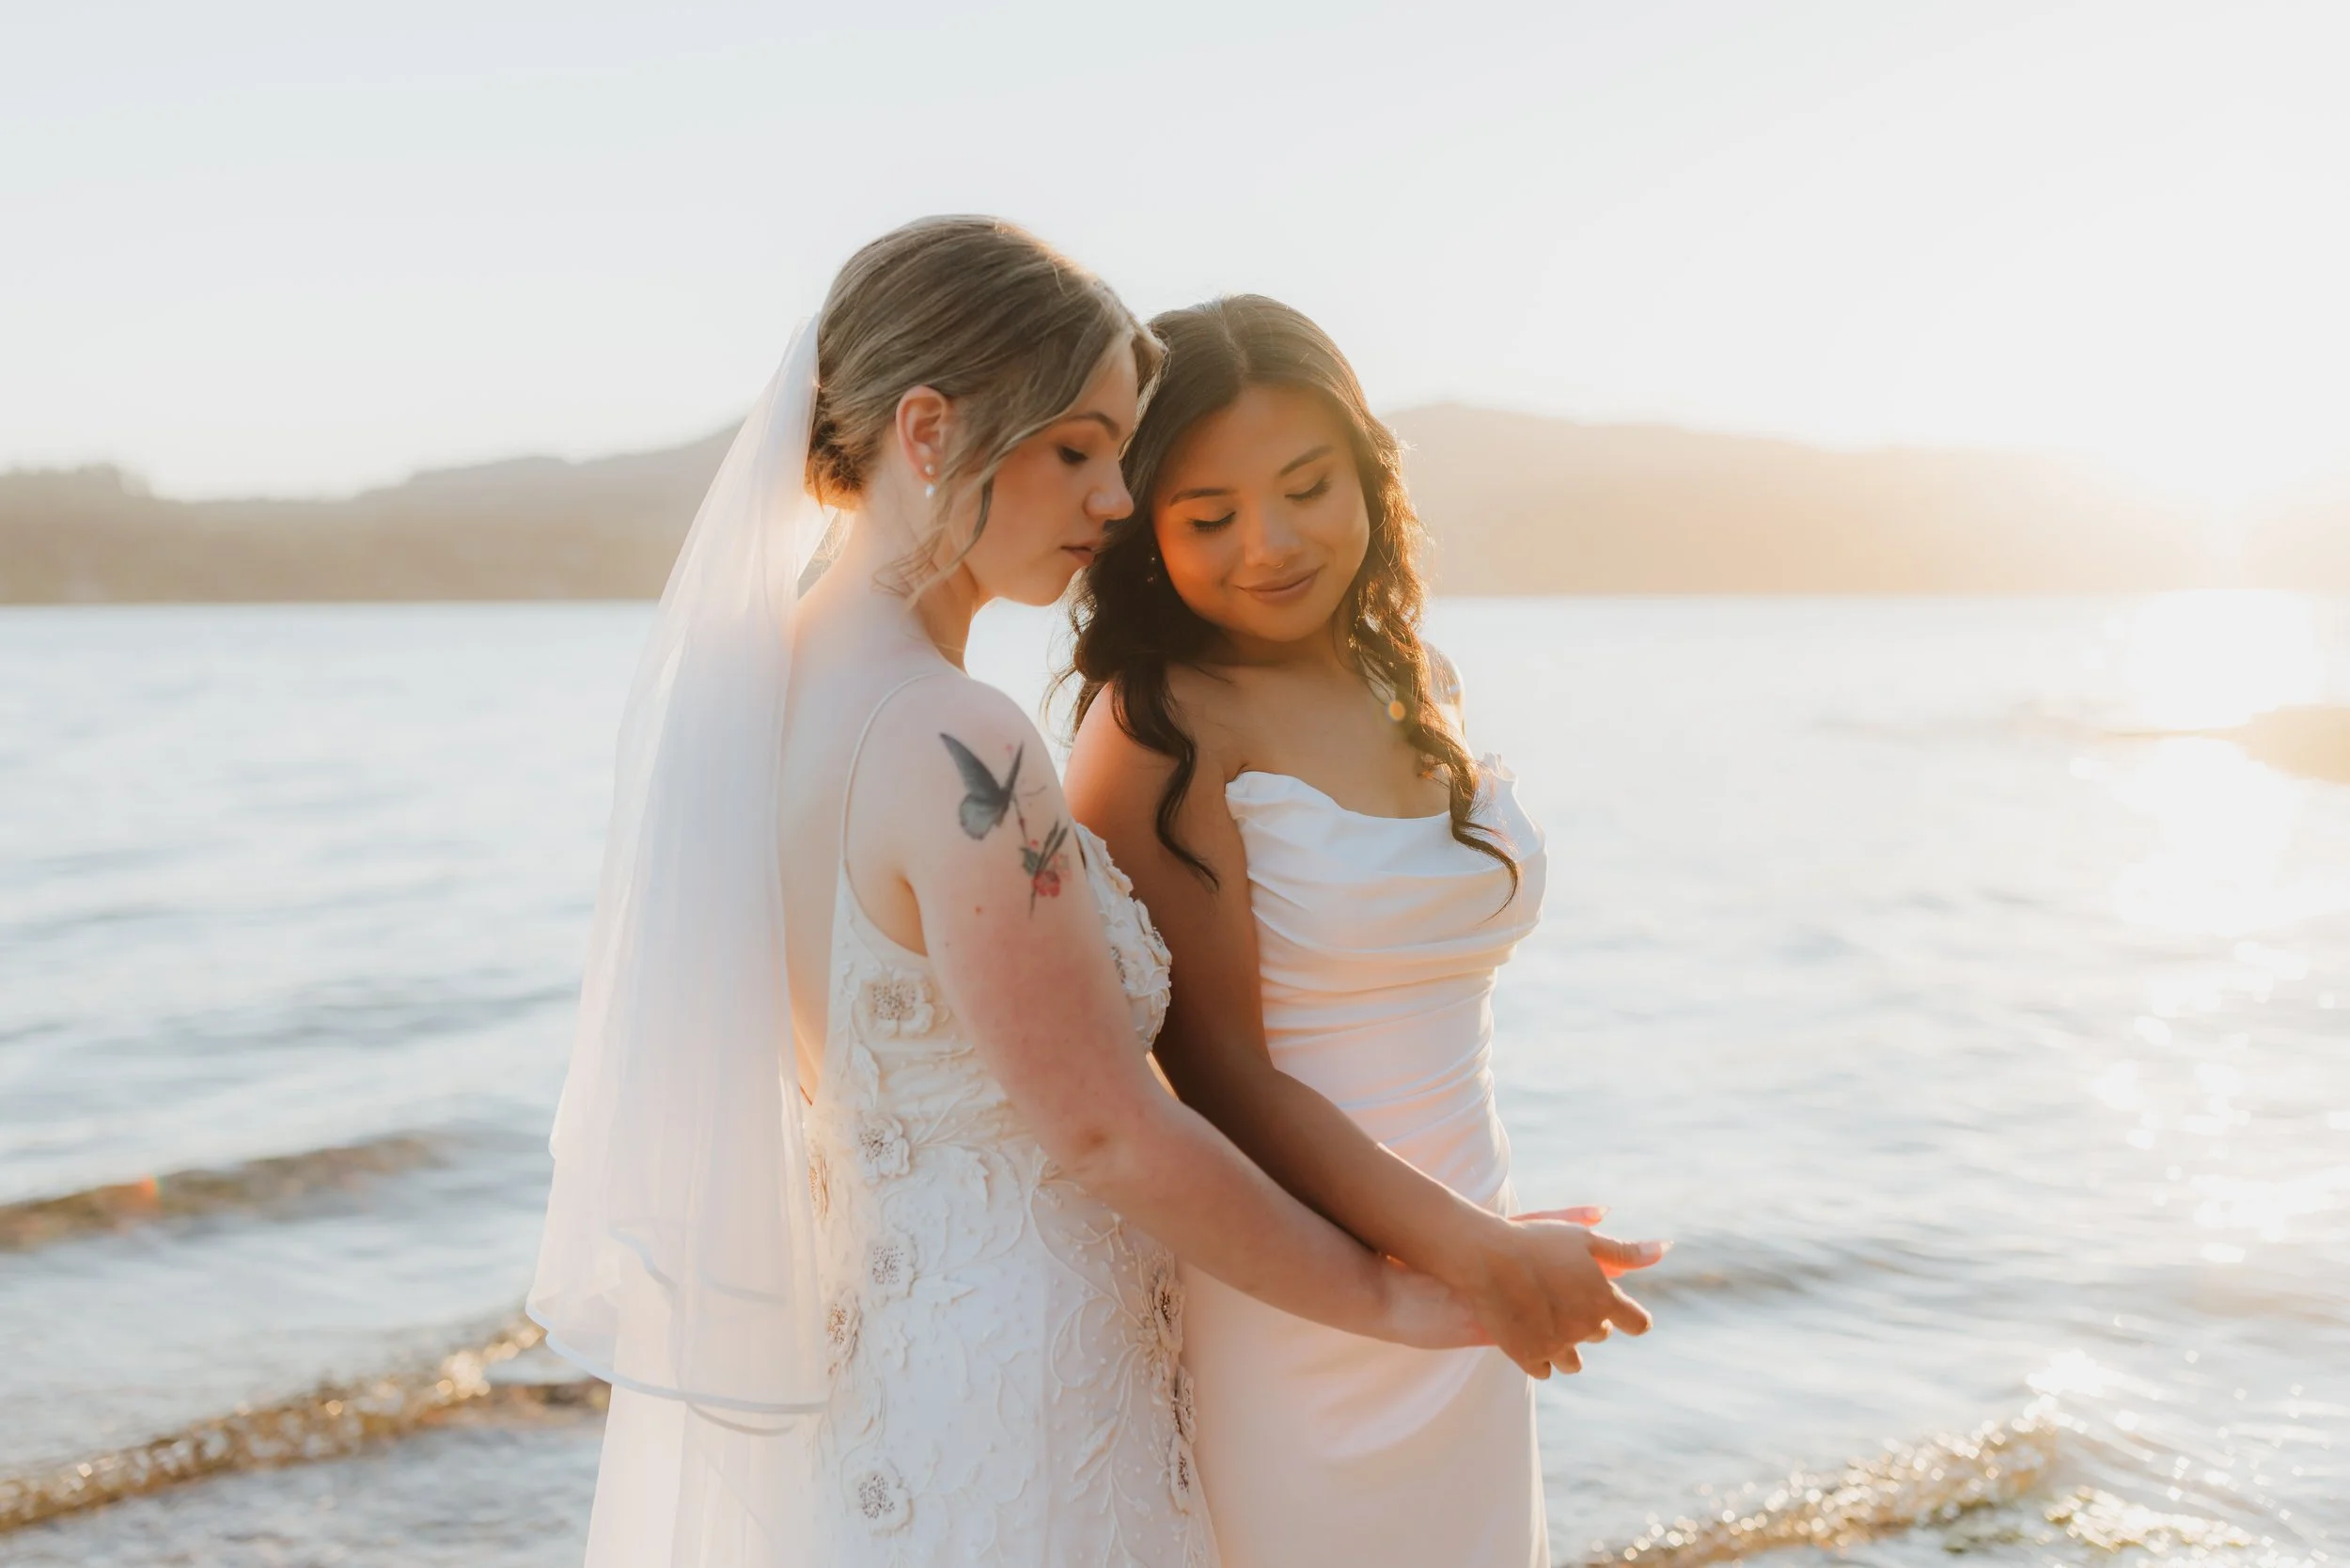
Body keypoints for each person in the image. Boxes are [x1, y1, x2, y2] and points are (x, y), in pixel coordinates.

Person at [530, 221, 1497, 1568]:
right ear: (927, 433)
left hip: (896, 1376)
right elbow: (1108, 1133)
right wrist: (1404, 1304)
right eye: (1077, 448)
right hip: (1029, 1407)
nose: (1116, 498)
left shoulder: (765, 701)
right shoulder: (955, 739)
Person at [1065, 293, 1666, 1567]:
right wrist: (1467, 1252)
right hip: (1293, 1299)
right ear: (1143, 529)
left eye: (1307, 486)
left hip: (1463, 1269)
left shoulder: (1412, 676)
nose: (1269, 545)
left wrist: (1486, 1245)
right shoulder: (1157, 723)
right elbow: (1212, 1069)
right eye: (1208, 517)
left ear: (1368, 477)